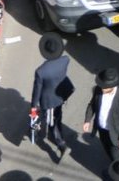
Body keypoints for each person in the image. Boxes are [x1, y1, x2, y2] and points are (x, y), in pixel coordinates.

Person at [30, 32, 73, 160]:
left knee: (52, 122)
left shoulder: (41, 71)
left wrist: (33, 106)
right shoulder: (65, 60)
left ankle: (61, 144)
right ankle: (58, 128)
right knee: (58, 116)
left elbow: (37, 91)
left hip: (49, 101)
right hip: (61, 95)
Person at [83, 67, 119, 163]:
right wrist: (87, 120)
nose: (102, 89)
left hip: (115, 132)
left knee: (116, 156)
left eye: (105, 87)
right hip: (102, 129)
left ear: (112, 86)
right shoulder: (98, 90)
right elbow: (92, 104)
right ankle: (118, 162)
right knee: (107, 148)